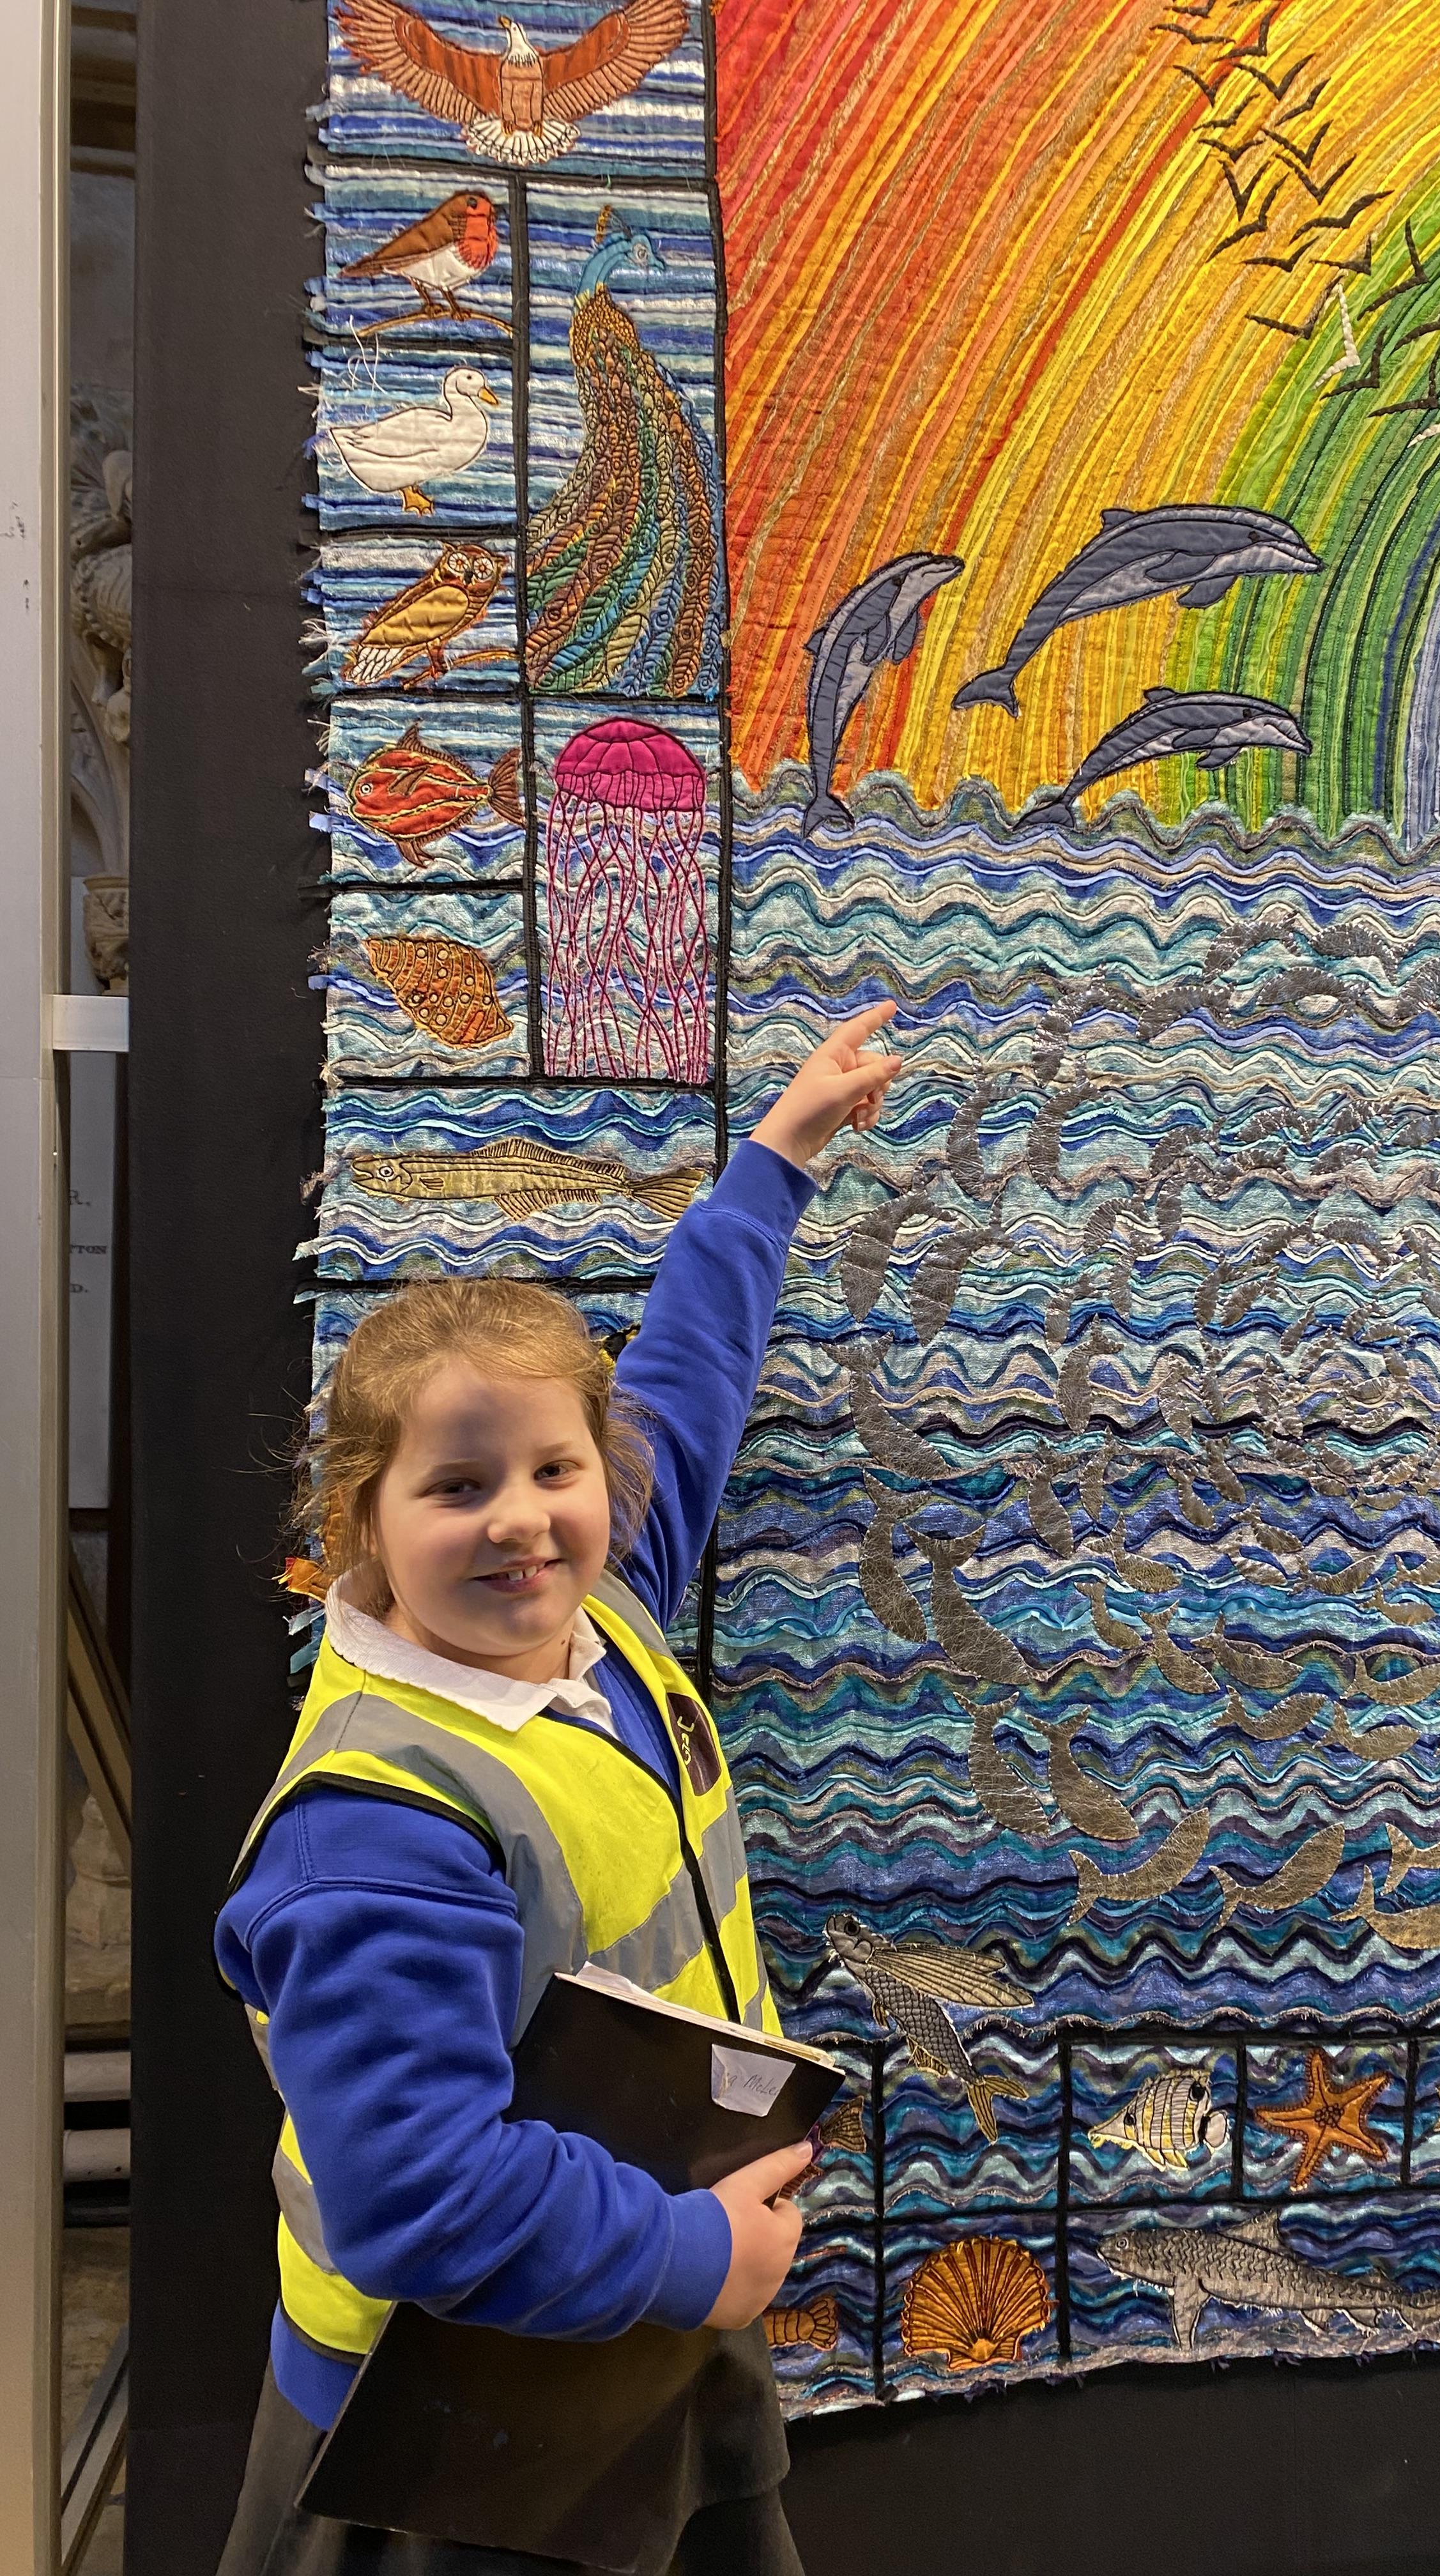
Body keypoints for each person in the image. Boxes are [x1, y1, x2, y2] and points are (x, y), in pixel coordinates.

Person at [213, 1004, 903, 2576]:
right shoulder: (373, 1830)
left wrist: (779, 1158)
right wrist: (689, 2252)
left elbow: (689, 1374)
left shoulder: (603, 1616)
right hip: (444, 2431)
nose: (522, 1522)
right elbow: (415, 2199)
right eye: (457, 1487)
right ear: (360, 1522)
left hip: (637, 2339)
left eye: (553, 1471)